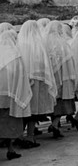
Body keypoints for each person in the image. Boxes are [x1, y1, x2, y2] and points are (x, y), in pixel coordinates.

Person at [17, 20, 56, 148]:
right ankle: (30, 135)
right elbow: (45, 65)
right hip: (37, 82)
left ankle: (19, 136)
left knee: (22, 108)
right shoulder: (39, 45)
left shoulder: (19, 44)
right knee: (33, 111)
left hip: (22, 82)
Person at [0, 30, 32, 160]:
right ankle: (10, 149)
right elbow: (21, 76)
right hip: (11, 96)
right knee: (10, 122)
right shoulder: (16, 56)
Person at [45, 21, 78, 138]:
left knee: (53, 102)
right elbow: (69, 61)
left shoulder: (44, 43)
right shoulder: (63, 43)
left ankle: (54, 124)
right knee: (61, 103)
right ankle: (55, 124)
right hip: (63, 78)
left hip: (50, 78)